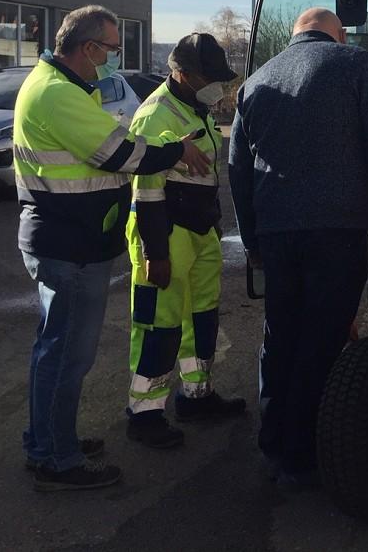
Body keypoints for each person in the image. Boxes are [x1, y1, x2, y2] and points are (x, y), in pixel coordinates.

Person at [16, 5, 211, 491]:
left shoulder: (56, 86)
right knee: (66, 357)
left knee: (53, 351)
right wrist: (177, 151)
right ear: (88, 49)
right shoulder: (58, 94)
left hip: (68, 240)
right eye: (110, 50)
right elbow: (121, 153)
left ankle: (48, 442)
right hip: (69, 246)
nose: (112, 61)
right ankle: (58, 460)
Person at [229, 7, 368, 489]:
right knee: (322, 339)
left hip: (276, 234)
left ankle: (274, 440)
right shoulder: (355, 67)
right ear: (339, 33)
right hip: (336, 230)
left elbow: (239, 174)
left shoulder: (256, 81)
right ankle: (304, 451)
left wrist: (253, 241)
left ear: (295, 36)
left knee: (281, 334)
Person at [124, 33, 247, 449]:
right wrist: (156, 253)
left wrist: (212, 224)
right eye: (208, 77)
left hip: (198, 229)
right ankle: (144, 414)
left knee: (201, 318)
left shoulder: (197, 110)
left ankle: (196, 396)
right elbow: (145, 191)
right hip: (166, 231)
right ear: (182, 74)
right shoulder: (156, 115)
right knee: (158, 323)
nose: (217, 86)